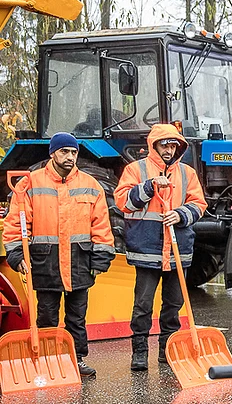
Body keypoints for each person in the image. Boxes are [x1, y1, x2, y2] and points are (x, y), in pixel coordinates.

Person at [2, 133, 115, 377]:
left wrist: (101, 258)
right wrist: (16, 254)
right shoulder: (30, 183)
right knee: (47, 315)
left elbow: (101, 225)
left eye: (73, 152)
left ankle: (77, 358)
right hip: (45, 262)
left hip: (79, 261)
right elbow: (15, 224)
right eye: (64, 152)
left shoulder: (90, 184)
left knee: (77, 317)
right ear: (52, 153)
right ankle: (46, 358)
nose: (70, 157)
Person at [115, 124, 207, 372]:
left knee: (173, 304)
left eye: (173, 145)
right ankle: (140, 352)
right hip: (147, 249)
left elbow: (199, 203)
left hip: (179, 251)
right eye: (165, 144)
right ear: (154, 145)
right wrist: (148, 188)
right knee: (143, 304)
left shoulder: (187, 173)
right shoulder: (136, 169)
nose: (169, 149)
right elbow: (123, 201)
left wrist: (181, 214)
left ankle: (168, 351)